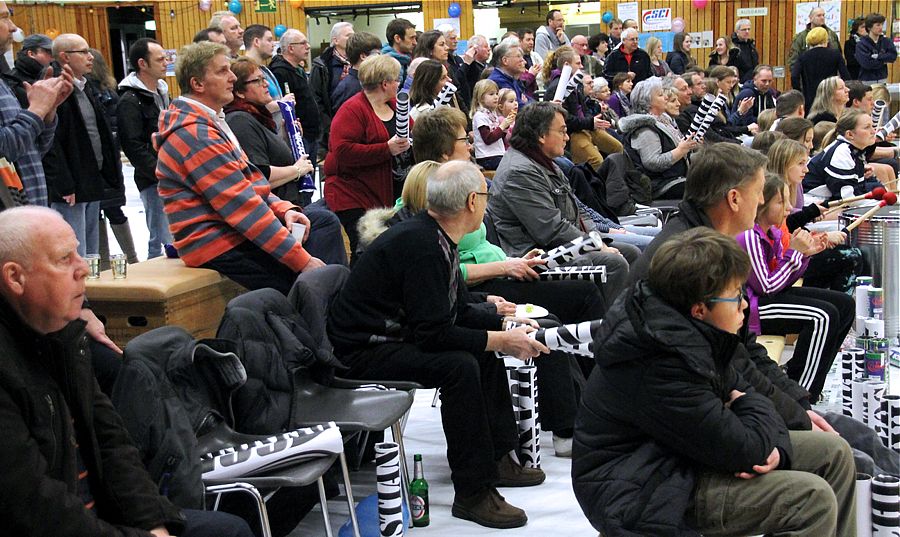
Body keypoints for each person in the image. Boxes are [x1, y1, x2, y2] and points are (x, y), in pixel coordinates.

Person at [573, 225, 857, 537]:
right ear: (700, 308)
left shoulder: (689, 329)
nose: (745, 305)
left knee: (834, 453)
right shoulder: (663, 361)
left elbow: (745, 397)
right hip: (643, 486)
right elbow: (746, 447)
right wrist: (756, 423)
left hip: (679, 455)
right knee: (810, 500)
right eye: (736, 296)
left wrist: (769, 437)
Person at [0, 205, 258, 537]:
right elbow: (31, 506)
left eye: (79, 254)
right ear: (15, 277)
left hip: (101, 518)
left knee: (229, 529)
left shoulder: (64, 339)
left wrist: (153, 523)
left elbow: (114, 446)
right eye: (65, 260)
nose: (83, 269)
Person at [328, 160, 548, 529]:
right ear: (470, 202)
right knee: (460, 365)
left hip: (393, 336)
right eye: (485, 195)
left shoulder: (436, 235)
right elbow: (435, 333)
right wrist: (501, 339)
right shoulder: (423, 245)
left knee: (482, 350)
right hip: (361, 352)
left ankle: (496, 457)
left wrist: (504, 324)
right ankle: (473, 492)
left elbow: (456, 309)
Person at [154, 41, 326, 294]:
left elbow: (250, 182)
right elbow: (242, 207)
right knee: (305, 285)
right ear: (198, 84)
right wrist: (303, 262)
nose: (233, 77)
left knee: (322, 224)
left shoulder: (213, 122)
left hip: (231, 234)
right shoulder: (196, 134)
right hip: (215, 243)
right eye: (222, 71)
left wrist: (284, 209)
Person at [486, 102, 636, 308]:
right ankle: (605, 328)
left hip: (560, 243)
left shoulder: (543, 161)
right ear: (541, 135)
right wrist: (596, 245)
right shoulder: (519, 172)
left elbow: (578, 209)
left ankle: (625, 318)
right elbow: (550, 229)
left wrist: (597, 240)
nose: (567, 137)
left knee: (630, 252)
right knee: (615, 263)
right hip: (534, 254)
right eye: (562, 131)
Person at [737, 173, 853, 400]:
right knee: (823, 316)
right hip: (752, 308)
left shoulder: (773, 232)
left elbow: (783, 279)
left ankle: (799, 373)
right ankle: (802, 395)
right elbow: (766, 286)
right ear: (761, 204)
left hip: (767, 297)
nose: (789, 208)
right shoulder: (749, 235)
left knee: (845, 305)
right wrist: (795, 254)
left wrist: (806, 255)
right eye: (781, 202)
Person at [324, 54, 411, 258]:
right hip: (353, 194)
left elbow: (412, 131)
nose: (399, 83)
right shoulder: (352, 110)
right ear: (385, 83)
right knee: (366, 251)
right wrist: (386, 149)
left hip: (384, 191)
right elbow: (343, 151)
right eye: (397, 79)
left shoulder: (394, 105)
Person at [43, 34, 121, 257]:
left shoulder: (87, 87)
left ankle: (91, 289)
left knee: (91, 249)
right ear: (64, 57)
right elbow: (52, 142)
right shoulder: (56, 89)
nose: (90, 57)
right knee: (74, 248)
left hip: (91, 176)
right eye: (83, 52)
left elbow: (98, 132)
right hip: (71, 185)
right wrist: (64, 184)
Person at [0, 2, 71, 209]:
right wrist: (36, 110)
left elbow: (30, 152)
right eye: (4, 17)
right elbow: (4, 150)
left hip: (27, 213)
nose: (13, 27)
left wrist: (47, 115)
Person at [118, 38, 173, 259]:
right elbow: (133, 145)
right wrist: (159, 172)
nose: (165, 63)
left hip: (171, 173)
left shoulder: (161, 91)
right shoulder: (130, 100)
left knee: (171, 234)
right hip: (153, 178)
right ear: (142, 63)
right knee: (160, 238)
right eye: (159, 59)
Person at [87, 48, 140, 266]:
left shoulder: (96, 92)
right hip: (109, 159)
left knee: (102, 211)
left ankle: (105, 263)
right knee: (111, 209)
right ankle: (128, 258)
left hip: (99, 160)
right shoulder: (109, 90)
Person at [619, 77, 699, 200]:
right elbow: (652, 162)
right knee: (707, 186)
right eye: (661, 95)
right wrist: (680, 150)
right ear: (648, 101)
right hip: (659, 185)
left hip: (673, 178)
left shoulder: (663, 120)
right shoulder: (644, 128)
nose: (666, 97)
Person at [544, 46, 622, 171]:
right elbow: (564, 119)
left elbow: (583, 109)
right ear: (566, 64)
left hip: (585, 126)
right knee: (597, 161)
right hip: (572, 132)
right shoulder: (556, 87)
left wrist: (591, 121)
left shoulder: (575, 83)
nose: (581, 67)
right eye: (578, 63)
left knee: (617, 147)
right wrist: (590, 122)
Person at [269, 28, 320, 180]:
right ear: (291, 48)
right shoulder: (280, 71)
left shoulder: (298, 69)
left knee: (310, 175)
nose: (308, 46)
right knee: (302, 180)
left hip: (310, 133)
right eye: (303, 43)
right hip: (296, 134)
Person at [803, 109, 881, 200]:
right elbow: (848, 199)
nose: (873, 131)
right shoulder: (841, 154)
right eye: (867, 127)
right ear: (850, 134)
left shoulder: (853, 150)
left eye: (872, 126)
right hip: (812, 203)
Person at [310, 21, 353, 152]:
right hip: (332, 124)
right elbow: (315, 97)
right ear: (335, 40)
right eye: (348, 35)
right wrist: (328, 126)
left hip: (355, 120)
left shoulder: (359, 60)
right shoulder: (322, 65)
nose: (353, 39)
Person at [791, 28, 850, 113]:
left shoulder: (803, 57)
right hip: (830, 95)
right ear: (826, 39)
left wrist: (800, 92)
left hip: (810, 97)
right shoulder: (835, 54)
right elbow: (845, 75)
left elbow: (794, 76)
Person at [330, 31, 381, 114]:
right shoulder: (347, 89)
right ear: (363, 56)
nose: (380, 57)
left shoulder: (371, 82)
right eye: (377, 53)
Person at [3, 33, 54, 108]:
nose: (53, 57)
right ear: (31, 54)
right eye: (49, 52)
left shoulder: (52, 74)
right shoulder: (12, 81)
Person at [470, 79, 512, 171]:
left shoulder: (493, 114)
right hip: (487, 157)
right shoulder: (480, 116)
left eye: (497, 93)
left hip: (497, 154)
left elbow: (500, 138)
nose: (496, 97)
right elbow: (488, 139)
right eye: (491, 94)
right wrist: (502, 126)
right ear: (481, 98)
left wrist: (505, 127)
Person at [855, 12, 897, 84]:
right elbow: (866, 63)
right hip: (867, 80)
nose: (881, 27)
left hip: (882, 78)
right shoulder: (861, 44)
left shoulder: (886, 41)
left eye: (882, 24)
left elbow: (893, 56)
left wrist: (877, 57)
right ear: (869, 27)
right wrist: (884, 61)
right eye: (878, 25)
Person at [487, 39, 532, 107]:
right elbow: (519, 108)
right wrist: (525, 103)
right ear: (505, 60)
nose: (524, 62)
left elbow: (528, 99)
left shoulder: (511, 78)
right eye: (518, 56)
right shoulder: (498, 81)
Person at [382, 18, 416, 84]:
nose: (415, 43)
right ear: (397, 38)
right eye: (411, 38)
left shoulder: (407, 60)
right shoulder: (386, 65)